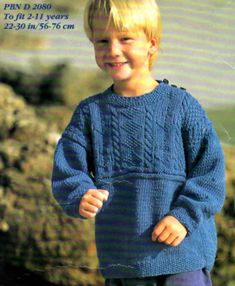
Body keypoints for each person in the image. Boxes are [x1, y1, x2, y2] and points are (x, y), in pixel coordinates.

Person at [51, 0, 226, 285]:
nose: (113, 50)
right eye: (102, 41)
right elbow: (67, 171)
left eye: (125, 39)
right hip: (124, 261)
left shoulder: (181, 104)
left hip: (183, 255)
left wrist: (183, 217)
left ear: (152, 44)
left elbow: (210, 172)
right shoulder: (90, 113)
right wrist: (80, 194)